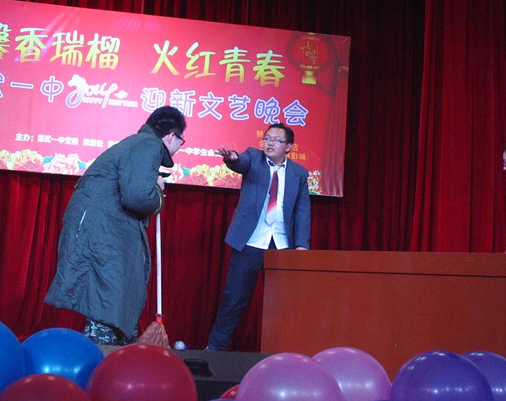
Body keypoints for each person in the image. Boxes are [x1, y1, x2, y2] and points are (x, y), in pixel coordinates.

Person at [45, 106, 187, 346]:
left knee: (112, 298)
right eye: (181, 141)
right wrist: (157, 192)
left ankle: (109, 353)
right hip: (101, 232)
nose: (180, 146)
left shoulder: (139, 144)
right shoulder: (149, 145)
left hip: (103, 229)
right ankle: (98, 358)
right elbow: (137, 197)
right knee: (107, 299)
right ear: (171, 136)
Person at [207, 123, 311, 351]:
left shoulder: (299, 174)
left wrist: (302, 245)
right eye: (267, 138)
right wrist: (233, 158)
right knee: (234, 300)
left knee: (282, 305)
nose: (270, 143)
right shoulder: (254, 158)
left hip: (281, 247)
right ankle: (214, 350)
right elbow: (240, 162)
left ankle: (282, 354)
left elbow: (302, 210)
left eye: (276, 140)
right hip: (250, 243)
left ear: (288, 147)